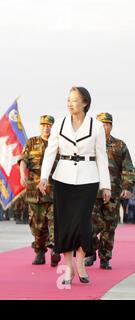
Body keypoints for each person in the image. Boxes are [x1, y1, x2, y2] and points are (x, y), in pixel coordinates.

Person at [38, 86, 111, 285]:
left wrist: (106, 185)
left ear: (85, 103)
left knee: (82, 223)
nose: (70, 103)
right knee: (65, 223)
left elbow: (102, 157)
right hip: (63, 177)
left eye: (75, 100)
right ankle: (69, 266)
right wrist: (44, 177)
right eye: (68, 100)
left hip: (88, 178)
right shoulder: (59, 124)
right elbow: (50, 152)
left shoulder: (95, 126)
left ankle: (81, 263)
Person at [85, 113, 135, 269]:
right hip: (92, 192)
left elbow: (128, 169)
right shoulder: (88, 145)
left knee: (109, 227)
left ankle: (105, 258)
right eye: (102, 124)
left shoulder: (120, 145)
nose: (105, 127)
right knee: (90, 226)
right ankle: (91, 250)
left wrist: (127, 187)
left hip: (113, 194)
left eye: (108, 124)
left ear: (111, 126)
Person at [19, 115, 60, 267]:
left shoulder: (59, 144)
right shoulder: (32, 142)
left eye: (49, 125)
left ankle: (55, 249)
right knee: (37, 225)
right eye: (43, 125)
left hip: (54, 191)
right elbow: (23, 160)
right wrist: (23, 174)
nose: (46, 127)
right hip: (34, 192)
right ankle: (40, 252)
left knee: (54, 222)